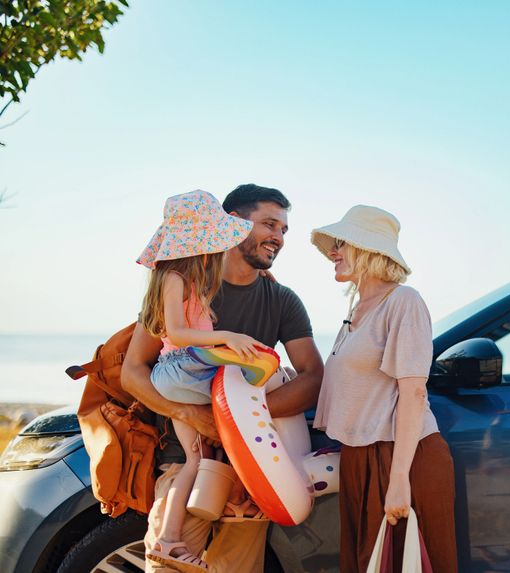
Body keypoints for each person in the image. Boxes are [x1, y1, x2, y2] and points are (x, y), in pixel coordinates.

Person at [122, 184, 324, 573]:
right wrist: (192, 415)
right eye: (269, 224)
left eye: (283, 229)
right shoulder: (184, 280)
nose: (278, 237)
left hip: (251, 477)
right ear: (230, 225)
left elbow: (312, 377)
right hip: (185, 463)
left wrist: (235, 425)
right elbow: (134, 371)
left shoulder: (282, 300)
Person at [135, 190, 277, 571]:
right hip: (180, 369)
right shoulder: (174, 277)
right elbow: (178, 333)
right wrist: (226, 336)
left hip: (180, 374)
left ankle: (168, 541)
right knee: (245, 390)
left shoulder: (192, 279)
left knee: (195, 459)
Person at [310, 205, 457, 572]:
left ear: (369, 249)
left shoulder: (403, 302)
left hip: (403, 457)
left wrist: (399, 482)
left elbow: (413, 393)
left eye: (342, 243)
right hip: (361, 458)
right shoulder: (358, 311)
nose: (333, 252)